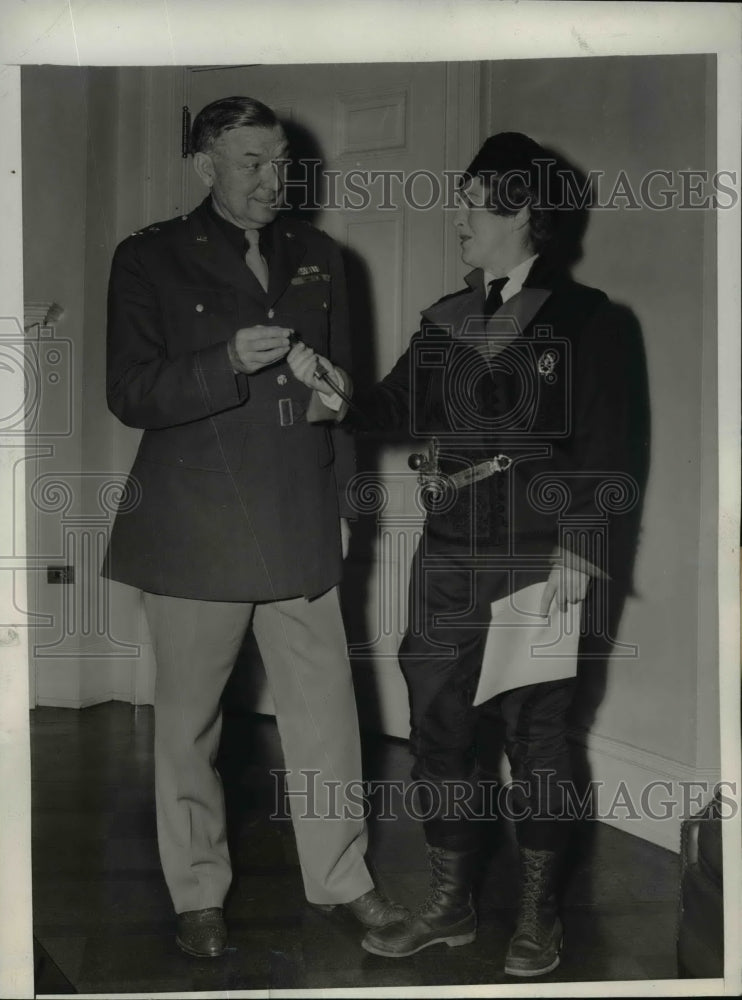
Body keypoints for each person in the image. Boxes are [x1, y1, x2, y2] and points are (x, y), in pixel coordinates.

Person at [288, 131, 644, 976]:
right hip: (448, 551)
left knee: (539, 735)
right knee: (439, 728)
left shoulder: (591, 321)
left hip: (537, 556)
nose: (457, 217)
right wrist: (330, 389)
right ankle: (451, 906)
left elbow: (613, 450)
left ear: (521, 212)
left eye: (472, 202)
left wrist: (580, 556)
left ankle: (538, 917)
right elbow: (387, 408)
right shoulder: (448, 319)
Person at [103, 96, 406, 959]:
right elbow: (128, 393)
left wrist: (344, 495)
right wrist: (224, 362)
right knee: (189, 726)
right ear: (206, 165)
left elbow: (342, 404)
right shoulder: (148, 257)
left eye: (282, 162)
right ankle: (197, 893)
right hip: (192, 526)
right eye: (252, 163)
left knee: (326, 720)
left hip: (298, 517)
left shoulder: (322, 258)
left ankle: (344, 880)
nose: (275, 180)